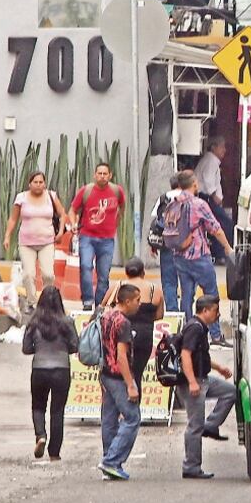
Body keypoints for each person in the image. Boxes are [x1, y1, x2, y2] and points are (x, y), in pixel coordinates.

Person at [175, 294, 237, 479]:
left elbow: (201, 356)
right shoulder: (194, 328)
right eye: (215, 311)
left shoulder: (201, 327)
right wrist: (192, 382)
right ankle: (191, 466)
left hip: (204, 379)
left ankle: (210, 425)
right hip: (194, 382)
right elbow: (185, 355)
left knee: (230, 392)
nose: (218, 315)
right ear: (205, 310)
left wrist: (219, 368)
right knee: (194, 426)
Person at [173, 170, 234, 347]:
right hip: (198, 256)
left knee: (186, 296)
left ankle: (188, 332)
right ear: (194, 184)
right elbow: (215, 228)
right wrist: (227, 247)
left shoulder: (173, 203)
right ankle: (215, 335)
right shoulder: (198, 204)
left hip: (179, 256)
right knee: (211, 294)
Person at [22, 286, 78, 461]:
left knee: (38, 406)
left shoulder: (33, 322)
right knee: (57, 411)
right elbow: (75, 346)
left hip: (39, 369)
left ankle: (40, 435)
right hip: (61, 370)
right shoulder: (67, 322)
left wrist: (39, 348)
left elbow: (26, 348)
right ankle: (54, 453)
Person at [98, 284, 143, 481]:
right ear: (127, 301)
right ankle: (112, 461)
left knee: (109, 418)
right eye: (137, 300)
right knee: (132, 418)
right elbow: (121, 357)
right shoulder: (123, 323)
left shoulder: (105, 316)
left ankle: (109, 461)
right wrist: (130, 384)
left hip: (105, 373)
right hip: (117, 376)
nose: (139, 304)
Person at [3, 171, 67, 310]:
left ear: (44, 184)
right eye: (35, 182)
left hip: (47, 242)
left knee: (48, 275)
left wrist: (61, 231)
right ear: (29, 184)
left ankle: (46, 303)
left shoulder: (51, 196)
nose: (38, 185)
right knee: (28, 275)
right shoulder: (21, 198)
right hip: (26, 243)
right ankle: (32, 302)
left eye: (41, 182)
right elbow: (13, 218)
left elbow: (62, 214)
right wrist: (7, 236)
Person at [101, 258, 164, 398]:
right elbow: (159, 315)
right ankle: (134, 404)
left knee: (118, 374)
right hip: (144, 337)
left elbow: (103, 307)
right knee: (137, 375)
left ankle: (121, 405)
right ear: (143, 272)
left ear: (126, 272)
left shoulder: (118, 287)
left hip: (119, 337)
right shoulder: (155, 290)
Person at [68, 163, 125, 311]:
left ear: (110, 175)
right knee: (86, 266)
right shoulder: (86, 191)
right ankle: (87, 301)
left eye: (105, 174)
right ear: (95, 175)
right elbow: (72, 210)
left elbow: (122, 208)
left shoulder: (116, 191)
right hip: (87, 237)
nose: (102, 176)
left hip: (107, 240)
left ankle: (100, 304)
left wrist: (115, 224)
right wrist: (74, 223)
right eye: (99, 173)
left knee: (103, 275)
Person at [194, 137, 235, 263]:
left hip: (207, 198)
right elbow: (208, 180)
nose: (224, 150)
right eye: (221, 147)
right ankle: (222, 254)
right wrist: (214, 196)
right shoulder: (211, 160)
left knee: (215, 225)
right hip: (207, 198)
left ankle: (218, 253)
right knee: (224, 224)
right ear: (213, 147)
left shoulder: (211, 160)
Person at [149, 174, 182, 311]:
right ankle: (186, 312)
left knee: (169, 281)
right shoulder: (190, 198)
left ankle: (173, 311)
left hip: (167, 243)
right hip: (186, 245)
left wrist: (153, 244)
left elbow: (156, 221)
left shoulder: (163, 198)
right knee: (187, 281)